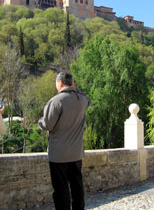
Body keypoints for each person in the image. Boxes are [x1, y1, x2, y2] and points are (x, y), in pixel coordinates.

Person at [38, 71, 90, 210]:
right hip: (76, 153)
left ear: (60, 83)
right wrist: (75, 89)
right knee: (77, 187)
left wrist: (40, 122)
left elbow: (47, 125)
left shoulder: (56, 101)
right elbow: (87, 98)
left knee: (61, 190)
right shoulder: (82, 100)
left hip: (59, 154)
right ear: (72, 83)